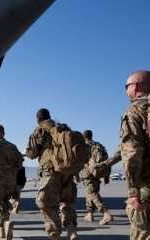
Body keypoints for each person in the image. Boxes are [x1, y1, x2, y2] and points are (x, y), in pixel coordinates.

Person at [26, 108, 79, 240]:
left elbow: (31, 154)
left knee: (46, 203)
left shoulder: (40, 130)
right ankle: (71, 230)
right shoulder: (63, 127)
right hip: (67, 171)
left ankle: (55, 234)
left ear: (38, 119)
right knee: (66, 202)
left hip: (51, 172)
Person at [120, 70, 150, 239]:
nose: (126, 91)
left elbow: (132, 155)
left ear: (137, 86)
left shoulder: (136, 110)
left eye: (127, 86)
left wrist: (133, 194)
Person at [80, 130, 113, 224]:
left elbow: (81, 160)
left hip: (89, 172)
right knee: (90, 192)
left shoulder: (84, 146)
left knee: (92, 193)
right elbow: (106, 160)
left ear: (84, 137)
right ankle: (90, 214)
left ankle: (105, 213)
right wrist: (107, 175)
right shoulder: (99, 145)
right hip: (98, 172)